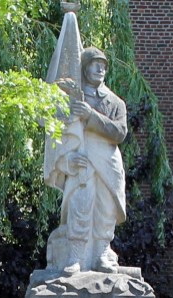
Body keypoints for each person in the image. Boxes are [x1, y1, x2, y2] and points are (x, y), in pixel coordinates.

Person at [44, 47, 128, 274]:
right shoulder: (71, 100)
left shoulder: (115, 102)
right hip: (83, 162)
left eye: (103, 65)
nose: (100, 68)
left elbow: (119, 132)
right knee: (80, 205)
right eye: (95, 63)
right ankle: (76, 256)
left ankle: (101, 253)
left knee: (105, 209)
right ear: (84, 67)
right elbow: (61, 137)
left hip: (108, 164)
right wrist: (67, 161)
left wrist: (90, 115)